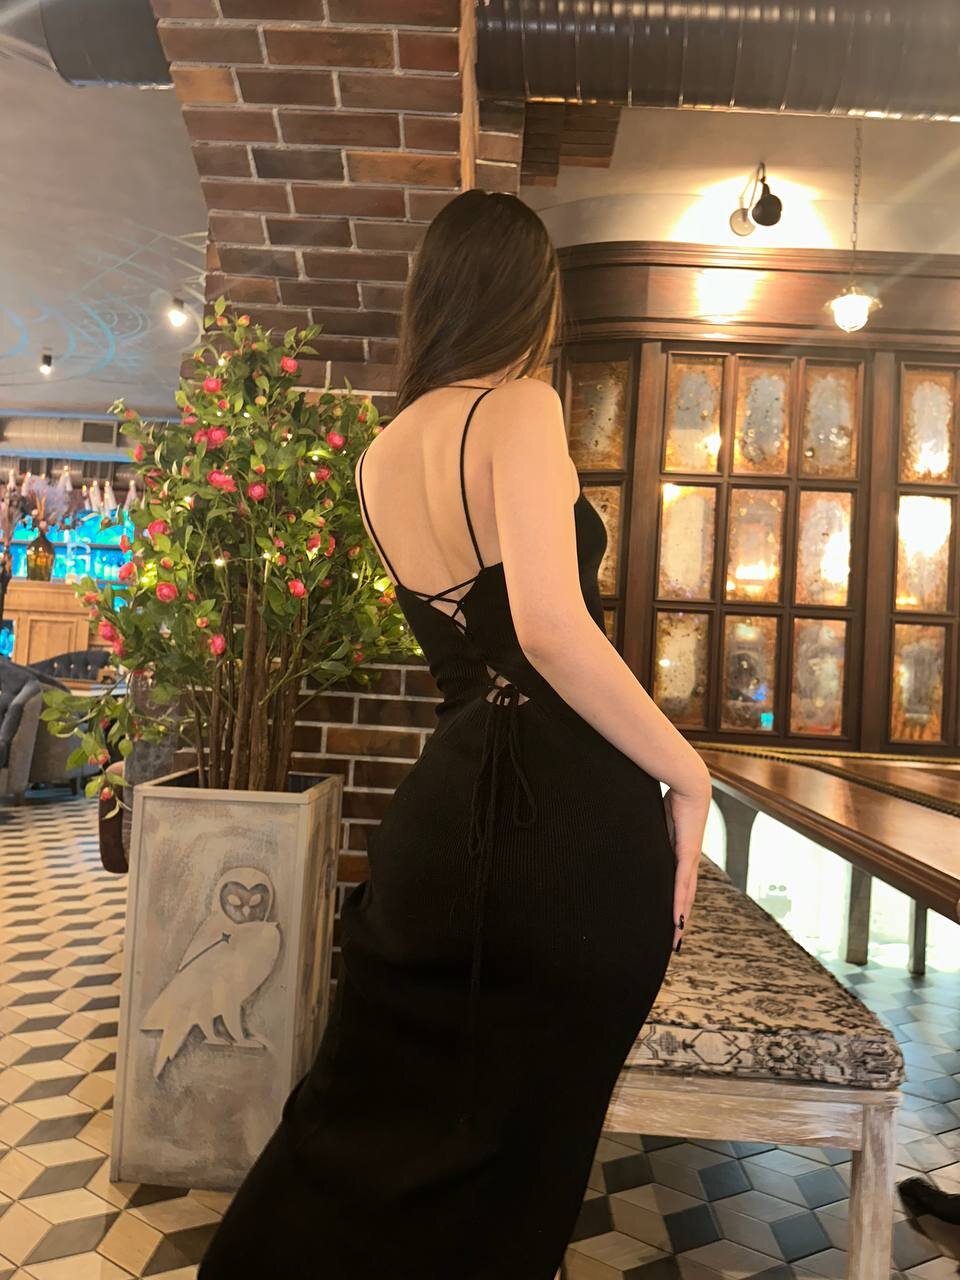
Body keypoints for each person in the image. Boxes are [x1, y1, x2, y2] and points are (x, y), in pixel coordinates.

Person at [198, 189, 711, 1280]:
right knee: (524, 1139)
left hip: (445, 816)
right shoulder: (519, 406)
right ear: (530, 295)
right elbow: (550, 631)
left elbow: (486, 655)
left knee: (373, 1103)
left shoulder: (379, 455)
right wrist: (690, 773)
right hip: (564, 821)